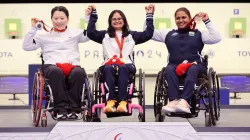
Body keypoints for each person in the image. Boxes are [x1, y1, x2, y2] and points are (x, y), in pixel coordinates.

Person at [144, 6, 222, 114]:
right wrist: (149, 15)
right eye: (178, 18)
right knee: (168, 69)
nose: (181, 20)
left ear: (190, 18)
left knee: (192, 69)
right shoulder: (169, 33)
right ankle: (173, 101)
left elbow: (216, 37)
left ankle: (184, 101)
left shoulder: (199, 33)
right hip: (174, 66)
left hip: (196, 66)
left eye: (184, 17)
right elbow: (148, 33)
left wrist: (206, 20)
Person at [22, 6, 90, 119]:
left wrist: (88, 17)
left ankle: (74, 109)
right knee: (56, 72)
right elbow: (27, 46)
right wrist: (33, 29)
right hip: (51, 66)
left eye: (62, 18)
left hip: (72, 65)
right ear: (51, 19)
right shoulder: (43, 35)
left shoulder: (75, 33)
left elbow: (90, 35)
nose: (59, 21)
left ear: (68, 19)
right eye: (56, 18)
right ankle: (60, 108)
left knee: (79, 73)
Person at [86, 4, 154, 113]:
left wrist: (149, 16)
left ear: (124, 21)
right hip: (109, 65)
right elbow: (90, 33)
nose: (117, 21)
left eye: (119, 18)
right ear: (110, 22)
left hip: (126, 65)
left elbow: (148, 34)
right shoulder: (105, 35)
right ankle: (111, 100)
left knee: (123, 67)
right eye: (114, 19)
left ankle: (123, 101)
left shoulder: (132, 35)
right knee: (107, 68)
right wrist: (93, 15)